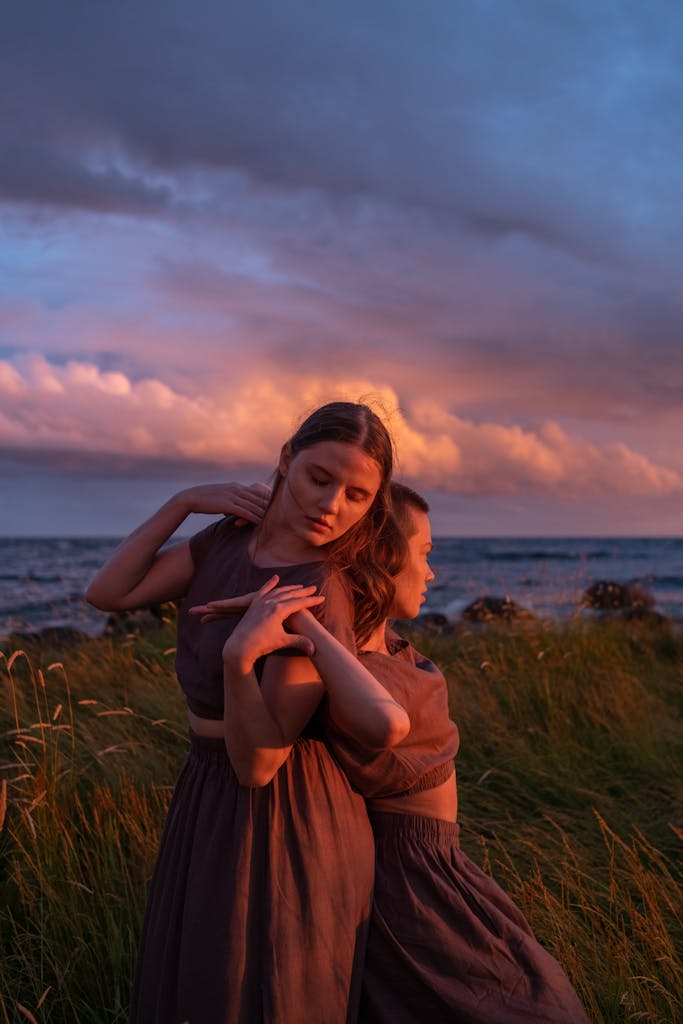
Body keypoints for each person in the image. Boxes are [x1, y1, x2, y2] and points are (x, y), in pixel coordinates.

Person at [207, 483, 590, 1023]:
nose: (431, 573)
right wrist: (303, 620)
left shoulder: (383, 643)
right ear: (383, 558)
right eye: (424, 554)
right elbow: (349, 730)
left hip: (443, 862)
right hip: (409, 877)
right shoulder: (333, 664)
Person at [85, 401, 408, 1024]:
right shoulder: (226, 541)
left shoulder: (316, 585)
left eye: (357, 495)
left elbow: (260, 763)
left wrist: (239, 659)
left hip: (279, 808)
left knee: (249, 990)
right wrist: (183, 502)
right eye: (319, 478)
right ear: (286, 460)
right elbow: (108, 592)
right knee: (198, 980)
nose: (331, 505)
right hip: (206, 785)